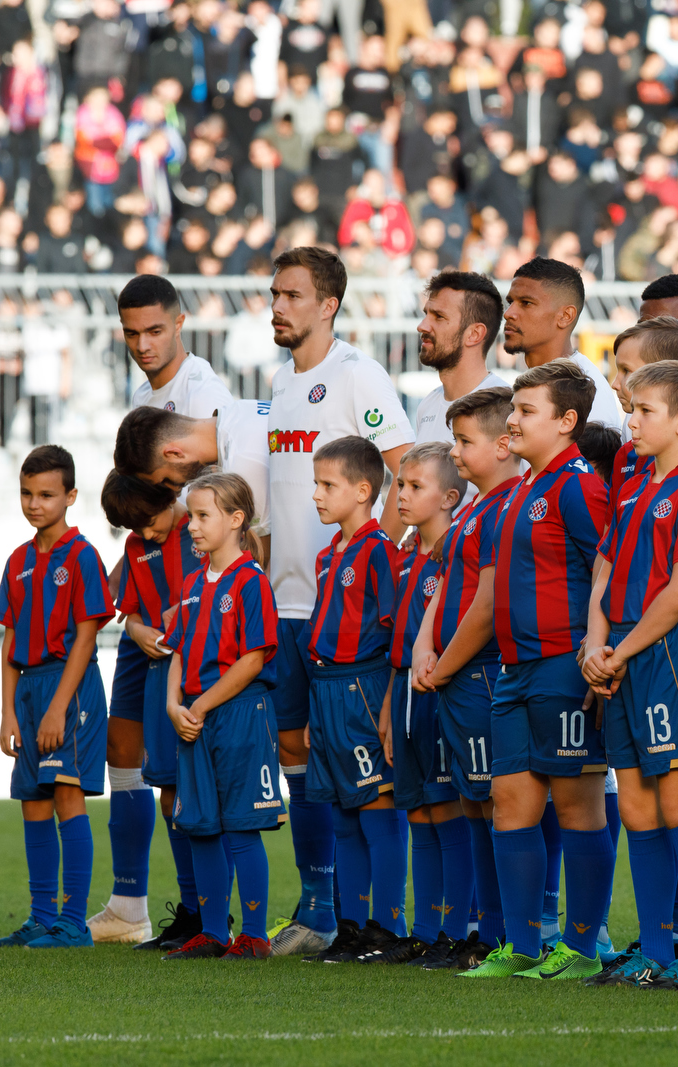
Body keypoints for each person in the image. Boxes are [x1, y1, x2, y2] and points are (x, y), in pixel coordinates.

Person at [265, 247, 414, 957]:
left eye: (292, 294)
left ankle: (365, 913)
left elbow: (405, 467)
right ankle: (321, 904)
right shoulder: (276, 383)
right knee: (302, 758)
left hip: (345, 620)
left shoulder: (357, 375)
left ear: (328, 304)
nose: (278, 306)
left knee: (365, 779)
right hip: (289, 605)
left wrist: (367, 558)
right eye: (274, 293)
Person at [460, 361, 615, 981]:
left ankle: (580, 949)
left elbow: (606, 569)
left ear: (566, 421)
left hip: (563, 665)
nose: (513, 421)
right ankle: (521, 945)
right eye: (514, 410)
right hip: (514, 668)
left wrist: (596, 653)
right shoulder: (525, 488)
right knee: (510, 805)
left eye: (526, 411)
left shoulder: (579, 485)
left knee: (578, 806)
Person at [582, 360, 678, 990]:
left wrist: (620, 648)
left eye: (644, 411)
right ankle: (658, 950)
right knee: (637, 804)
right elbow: (606, 566)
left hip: (670, 652)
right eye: (631, 408)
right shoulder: (637, 481)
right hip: (620, 653)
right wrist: (596, 640)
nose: (630, 420)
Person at [410, 387, 520, 973]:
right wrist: (426, 647)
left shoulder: (508, 504)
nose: (454, 451)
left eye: (464, 441)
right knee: (473, 804)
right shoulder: (474, 507)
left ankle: (504, 930)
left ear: (504, 445)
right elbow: (443, 586)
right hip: (451, 673)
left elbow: (487, 602)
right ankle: (483, 927)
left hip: (479, 674)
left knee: (496, 803)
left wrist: (445, 663)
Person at [0, 445, 113, 950]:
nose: (34, 504)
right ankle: (40, 918)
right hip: (31, 689)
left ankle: (72, 923)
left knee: (65, 794)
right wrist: (7, 712)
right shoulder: (18, 560)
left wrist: (60, 706)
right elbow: (10, 641)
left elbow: (86, 636)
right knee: (33, 803)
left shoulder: (83, 556)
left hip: (71, 685)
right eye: (26, 493)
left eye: (46, 494)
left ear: (70, 496)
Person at [158, 472, 283, 961]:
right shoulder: (192, 583)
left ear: (236, 520)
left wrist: (200, 705)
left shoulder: (251, 581)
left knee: (239, 826)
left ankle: (253, 936)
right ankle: (212, 932)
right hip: (193, 717)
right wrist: (174, 705)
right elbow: (178, 652)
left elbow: (253, 658)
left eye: (203, 515)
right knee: (201, 825)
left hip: (237, 715)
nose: (192, 526)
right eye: (190, 515)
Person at [296, 436, 405, 964]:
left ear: (364, 491)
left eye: (327, 485)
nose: (316, 495)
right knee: (342, 812)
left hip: (364, 690)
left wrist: (384, 707)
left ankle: (385, 928)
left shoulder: (380, 550)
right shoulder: (326, 555)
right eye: (315, 484)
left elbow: (393, 632)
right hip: (328, 693)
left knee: (377, 810)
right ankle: (351, 928)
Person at [91, 473, 203, 951]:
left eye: (152, 524)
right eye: (137, 530)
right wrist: (136, 630)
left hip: (199, 674)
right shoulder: (140, 544)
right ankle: (189, 911)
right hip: (158, 667)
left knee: (201, 793)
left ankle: (218, 919)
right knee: (168, 789)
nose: (149, 535)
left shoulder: (199, 530)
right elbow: (133, 609)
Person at [365, 443, 465, 963]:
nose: (401, 495)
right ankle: (426, 932)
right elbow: (399, 643)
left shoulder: (456, 552)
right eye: (399, 485)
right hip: (403, 693)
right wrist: (386, 706)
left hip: (441, 693)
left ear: (449, 497)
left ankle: (457, 929)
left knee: (448, 809)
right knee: (421, 812)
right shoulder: (406, 557)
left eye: (414, 487)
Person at [111, 403, 272, 563]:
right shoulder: (237, 412)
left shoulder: (243, 463)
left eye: (165, 479)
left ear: (174, 453)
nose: (175, 490)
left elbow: (260, 566)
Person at [501, 257, 624, 433]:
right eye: (510, 302)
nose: (508, 313)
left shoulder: (586, 391)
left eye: (526, 303)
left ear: (565, 316)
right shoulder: (536, 379)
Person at [608, 316, 678, 500]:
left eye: (626, 371)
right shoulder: (625, 454)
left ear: (663, 374)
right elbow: (613, 526)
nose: (615, 384)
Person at [412, 271, 507, 446]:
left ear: (474, 334)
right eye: (426, 314)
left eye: (439, 316)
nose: (422, 326)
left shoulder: (505, 410)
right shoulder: (427, 406)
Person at [118, 274, 234, 416]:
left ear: (178, 325)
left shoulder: (203, 393)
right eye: (132, 334)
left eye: (155, 332)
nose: (142, 346)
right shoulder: (141, 396)